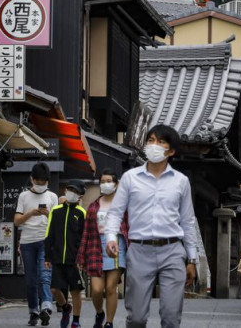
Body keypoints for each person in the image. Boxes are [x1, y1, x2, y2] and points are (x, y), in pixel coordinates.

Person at [104, 124, 198, 328]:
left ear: (171, 151)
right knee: (136, 318)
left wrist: (192, 259)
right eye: (150, 140)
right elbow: (115, 213)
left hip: (172, 250)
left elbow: (188, 221)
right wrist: (111, 238)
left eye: (161, 142)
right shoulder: (130, 178)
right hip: (139, 250)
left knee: (171, 317)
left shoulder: (181, 181)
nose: (154, 145)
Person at [77, 169, 129, 328]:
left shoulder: (124, 204)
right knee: (97, 289)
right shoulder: (93, 206)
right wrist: (81, 256)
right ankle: (99, 313)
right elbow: (86, 232)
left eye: (109, 181)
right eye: (102, 181)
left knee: (111, 287)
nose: (105, 184)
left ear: (116, 184)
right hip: (95, 245)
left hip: (117, 245)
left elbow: (130, 227)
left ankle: (109, 322)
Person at [15, 162, 59, 326]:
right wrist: (31, 213)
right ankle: (33, 311)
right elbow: (16, 221)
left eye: (44, 182)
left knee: (44, 276)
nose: (41, 185)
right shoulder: (23, 196)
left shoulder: (52, 197)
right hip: (27, 242)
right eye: (38, 182)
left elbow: (57, 223)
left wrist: (48, 214)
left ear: (48, 181)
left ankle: (46, 308)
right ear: (31, 179)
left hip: (46, 241)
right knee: (30, 280)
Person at [45, 180, 87, 328]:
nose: (71, 193)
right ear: (65, 191)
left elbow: (84, 238)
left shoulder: (81, 213)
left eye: (75, 191)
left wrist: (82, 258)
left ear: (80, 195)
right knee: (54, 289)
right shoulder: (55, 211)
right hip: (57, 258)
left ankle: (76, 320)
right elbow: (49, 234)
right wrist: (47, 256)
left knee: (75, 291)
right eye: (70, 190)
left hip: (74, 259)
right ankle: (65, 307)